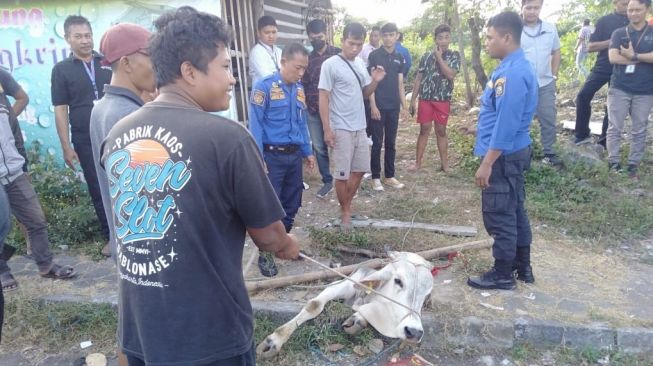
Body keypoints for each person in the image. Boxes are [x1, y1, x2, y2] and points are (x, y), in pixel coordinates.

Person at [100, 7, 299, 365]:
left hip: (141, 330)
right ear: (189, 71)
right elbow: (269, 237)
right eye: (224, 67)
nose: (232, 79)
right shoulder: (228, 138)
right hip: (209, 337)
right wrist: (287, 244)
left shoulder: (118, 133)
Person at [467, 11, 538, 290]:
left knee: (500, 214)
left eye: (490, 37)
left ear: (507, 37)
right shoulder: (514, 67)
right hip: (512, 151)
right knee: (515, 210)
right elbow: (504, 115)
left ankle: (502, 273)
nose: (486, 43)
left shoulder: (512, 73)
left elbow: (507, 124)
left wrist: (487, 163)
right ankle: (523, 267)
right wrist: (478, 130)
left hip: (503, 157)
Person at [90, 23, 155, 260]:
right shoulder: (128, 116)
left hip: (127, 243)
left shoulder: (103, 107)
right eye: (151, 57)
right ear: (126, 63)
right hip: (146, 248)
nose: (157, 66)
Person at [249, 43, 316, 277]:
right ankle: (265, 254)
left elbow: (301, 123)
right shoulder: (264, 87)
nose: (301, 73)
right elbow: (255, 125)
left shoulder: (298, 90)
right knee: (271, 207)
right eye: (297, 67)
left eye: (304, 69)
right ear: (283, 62)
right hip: (272, 156)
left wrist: (308, 151)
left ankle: (282, 244)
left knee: (292, 202)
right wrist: (258, 157)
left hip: (293, 156)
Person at [0, 93, 76, 292]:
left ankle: (46, 264)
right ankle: (1, 270)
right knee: (1, 224)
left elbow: (14, 131)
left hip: (15, 171)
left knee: (36, 219)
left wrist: (22, 164)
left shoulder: (1, 98)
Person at [51, 15, 112, 256]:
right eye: (78, 36)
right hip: (85, 139)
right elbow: (60, 109)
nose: (85, 41)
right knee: (98, 187)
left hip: (113, 132)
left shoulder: (108, 62)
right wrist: (66, 146)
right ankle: (110, 237)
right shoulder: (61, 70)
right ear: (67, 38)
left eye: (88, 35)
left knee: (124, 180)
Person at [319, 22, 386, 230]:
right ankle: (346, 211)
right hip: (340, 126)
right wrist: (327, 128)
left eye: (358, 44)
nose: (355, 48)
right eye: (351, 43)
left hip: (360, 126)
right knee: (342, 173)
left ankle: (345, 206)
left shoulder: (359, 64)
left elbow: (365, 94)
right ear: (342, 41)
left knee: (358, 171)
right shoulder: (330, 64)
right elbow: (323, 96)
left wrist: (375, 81)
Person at [606, 0, 653, 178]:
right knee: (615, 126)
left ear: (647, 10)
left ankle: (633, 163)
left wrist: (633, 55)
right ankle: (613, 161)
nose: (633, 13)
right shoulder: (619, 33)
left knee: (640, 128)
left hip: (646, 89)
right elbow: (613, 58)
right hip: (620, 86)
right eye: (630, 10)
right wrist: (643, 59)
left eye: (638, 10)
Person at [574, 0, 629, 146]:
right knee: (583, 95)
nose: (627, 5)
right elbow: (591, 46)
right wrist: (613, 41)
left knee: (612, 105)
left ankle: (605, 140)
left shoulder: (635, 21)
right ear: (615, 2)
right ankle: (581, 134)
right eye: (624, 3)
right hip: (603, 66)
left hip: (624, 68)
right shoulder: (604, 21)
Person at [409, 24, 461, 173]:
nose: (443, 41)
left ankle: (445, 165)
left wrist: (439, 58)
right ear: (435, 40)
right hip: (426, 98)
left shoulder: (454, 55)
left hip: (443, 99)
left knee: (441, 131)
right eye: (440, 38)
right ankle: (417, 163)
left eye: (446, 37)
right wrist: (413, 100)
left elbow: (450, 74)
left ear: (450, 38)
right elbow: (419, 79)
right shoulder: (426, 56)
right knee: (424, 129)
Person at [521, 0, 562, 167]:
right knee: (521, 119)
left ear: (541, 8)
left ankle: (549, 153)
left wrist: (554, 74)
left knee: (548, 117)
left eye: (536, 8)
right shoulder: (515, 29)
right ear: (522, 7)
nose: (532, 11)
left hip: (545, 82)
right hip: (522, 84)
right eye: (528, 7)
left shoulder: (550, 28)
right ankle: (522, 153)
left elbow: (556, 52)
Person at [303, 19, 340, 199]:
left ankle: (343, 177)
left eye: (320, 37)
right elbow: (303, 84)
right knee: (319, 146)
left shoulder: (338, 55)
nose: (317, 40)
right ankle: (327, 180)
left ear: (326, 34)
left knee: (339, 143)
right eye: (313, 38)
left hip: (336, 109)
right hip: (313, 108)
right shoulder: (307, 59)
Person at [368, 22, 407, 191]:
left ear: (397, 36)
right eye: (385, 35)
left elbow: (400, 84)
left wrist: (404, 107)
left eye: (392, 35)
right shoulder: (374, 55)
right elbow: (371, 83)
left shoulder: (400, 57)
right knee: (377, 142)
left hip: (393, 107)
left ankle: (389, 176)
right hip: (379, 105)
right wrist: (373, 106)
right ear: (382, 36)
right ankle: (375, 177)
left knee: (391, 142)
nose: (388, 38)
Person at [249, 15, 283, 86]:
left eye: (274, 32)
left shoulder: (279, 51)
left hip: (279, 91)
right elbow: (267, 77)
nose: (271, 36)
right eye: (267, 33)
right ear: (258, 33)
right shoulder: (256, 52)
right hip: (262, 94)